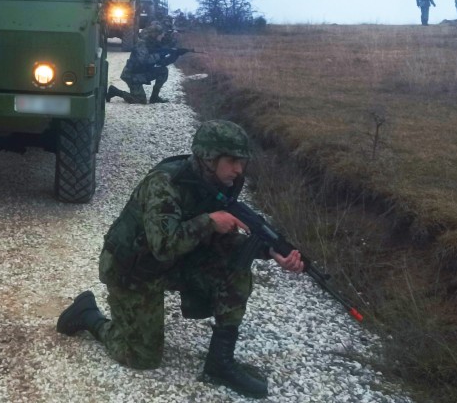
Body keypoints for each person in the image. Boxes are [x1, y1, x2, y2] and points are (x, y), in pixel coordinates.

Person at [55, 120, 305, 399]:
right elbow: (163, 245)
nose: (239, 169)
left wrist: (269, 250)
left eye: (242, 161)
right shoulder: (165, 184)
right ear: (209, 158)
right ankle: (88, 314)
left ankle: (220, 362)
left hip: (177, 261)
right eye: (233, 160)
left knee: (236, 265)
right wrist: (209, 221)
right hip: (133, 267)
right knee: (141, 358)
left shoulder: (223, 182)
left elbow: (226, 237)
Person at [107, 22, 173, 104]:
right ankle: (115, 91)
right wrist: (159, 55)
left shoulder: (153, 44)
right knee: (140, 100)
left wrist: (169, 57)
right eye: (161, 35)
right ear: (155, 34)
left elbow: (158, 62)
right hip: (131, 75)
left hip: (141, 73)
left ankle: (154, 97)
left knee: (163, 70)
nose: (162, 36)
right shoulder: (142, 44)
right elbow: (143, 60)